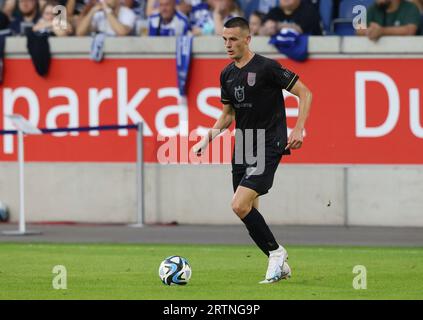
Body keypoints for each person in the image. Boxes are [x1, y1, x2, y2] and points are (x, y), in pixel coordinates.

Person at [191, 17, 312, 284]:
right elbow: (227, 115)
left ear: (247, 39)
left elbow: (305, 92)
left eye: (233, 39)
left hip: (269, 142)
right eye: (224, 39)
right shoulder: (227, 74)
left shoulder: (267, 67)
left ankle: (277, 254)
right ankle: (280, 265)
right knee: (246, 211)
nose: (228, 44)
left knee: (239, 204)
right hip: (243, 145)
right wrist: (206, 139)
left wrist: (298, 128)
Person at [356, 0, 422, 40]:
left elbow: (410, 31)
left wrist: (381, 31)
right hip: (379, 55)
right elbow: (358, 31)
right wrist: (371, 31)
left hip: (407, 56)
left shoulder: (410, 7)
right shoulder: (374, 8)